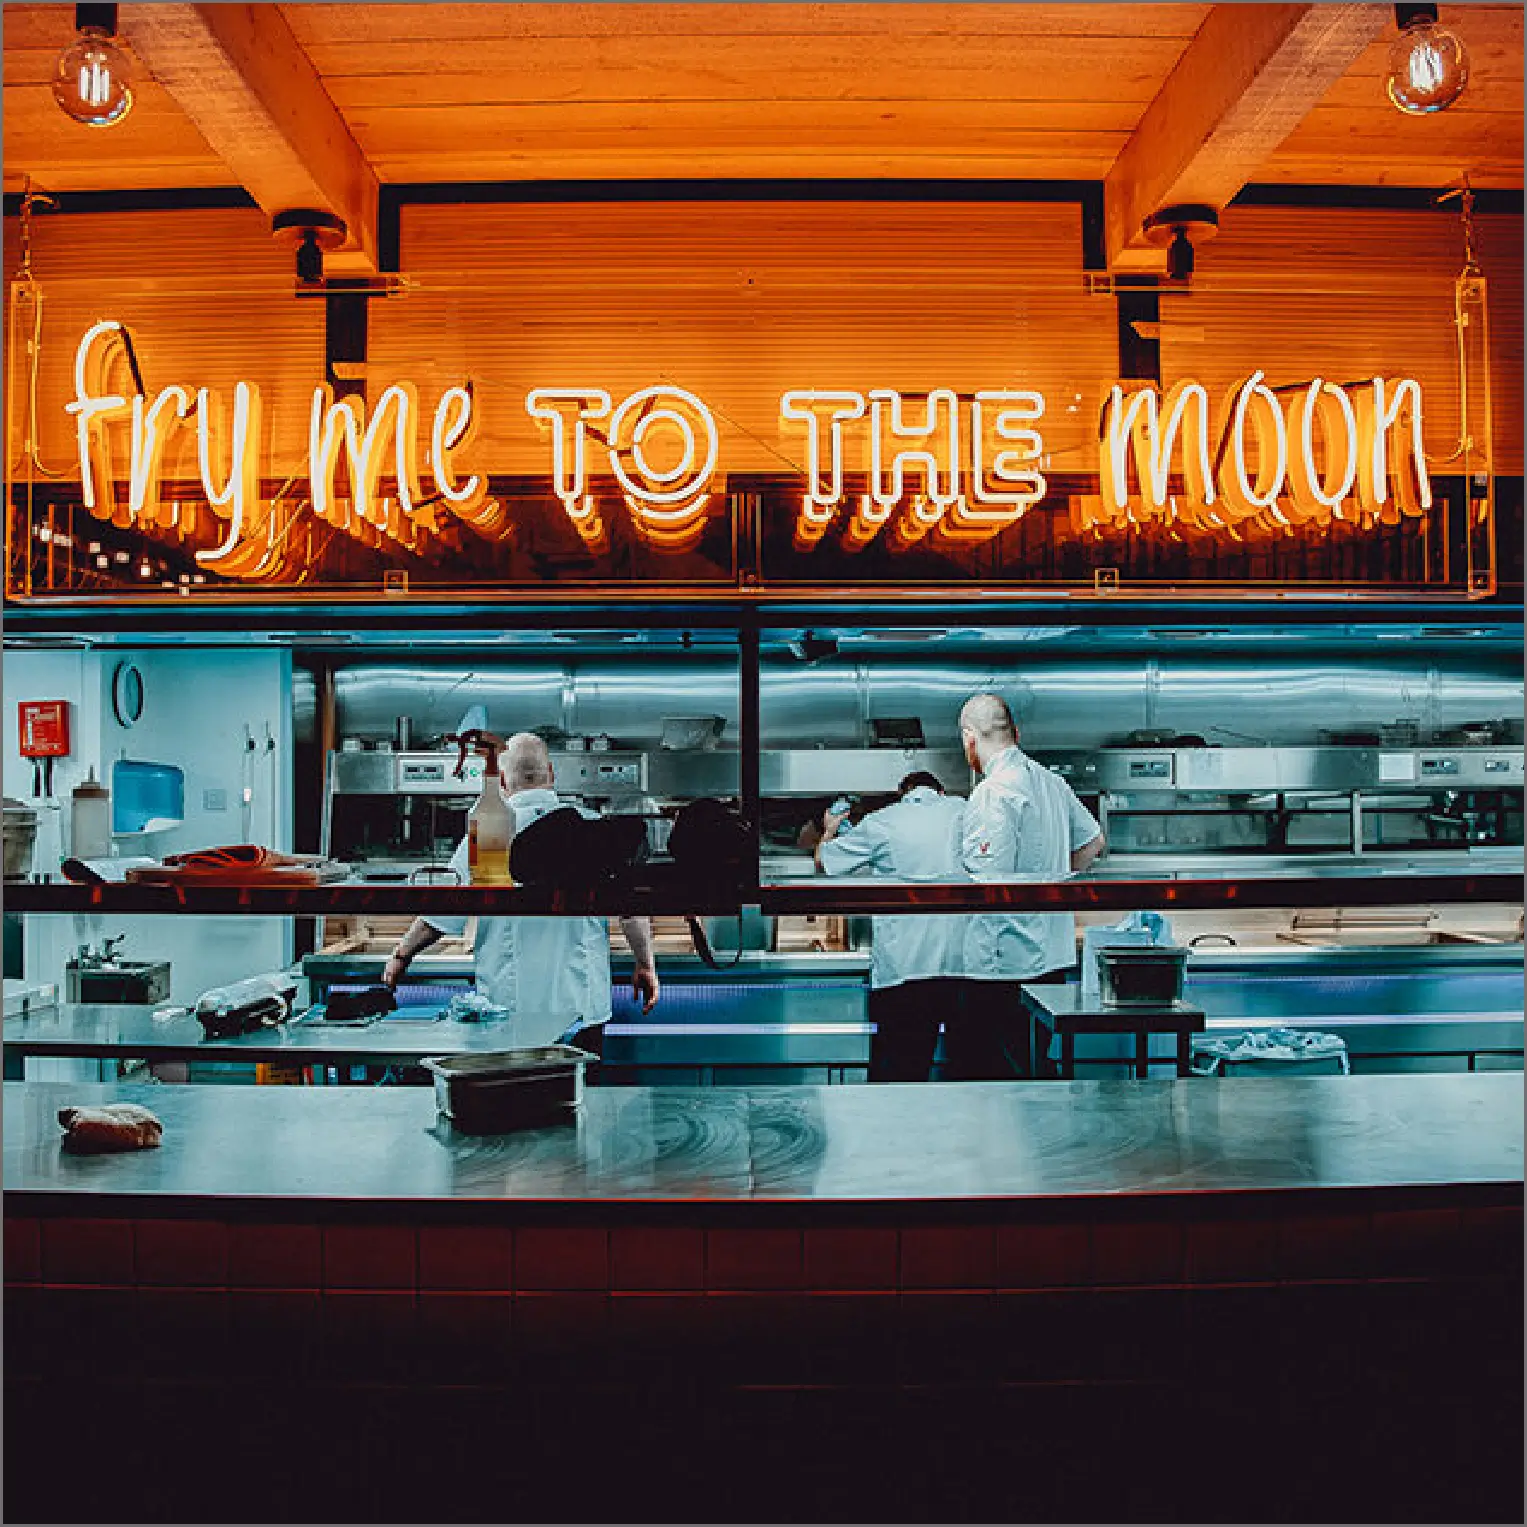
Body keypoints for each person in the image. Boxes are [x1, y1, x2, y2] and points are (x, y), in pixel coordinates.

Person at [383, 732, 659, 1055]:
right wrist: (645, 964)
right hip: (581, 1011)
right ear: (551, 774)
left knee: (511, 1100)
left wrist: (401, 956)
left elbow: (440, 912)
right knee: (577, 1101)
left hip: (508, 1011)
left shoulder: (487, 834)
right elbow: (629, 907)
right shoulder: (593, 827)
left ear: (502, 780)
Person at [957, 693, 1105, 1078]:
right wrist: (1054, 878)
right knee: (1037, 1068)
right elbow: (1093, 843)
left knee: (1002, 1079)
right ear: (1016, 733)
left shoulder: (993, 792)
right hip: (1051, 959)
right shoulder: (1051, 782)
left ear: (969, 738)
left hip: (1003, 963)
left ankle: (1011, 1141)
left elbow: (990, 883)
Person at [815, 770, 970, 1082]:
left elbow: (824, 863)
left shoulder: (882, 821)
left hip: (904, 972)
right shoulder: (965, 812)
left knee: (899, 1077)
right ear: (940, 791)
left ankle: (893, 1130)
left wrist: (828, 831)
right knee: (966, 1075)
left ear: (903, 793)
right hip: (964, 970)